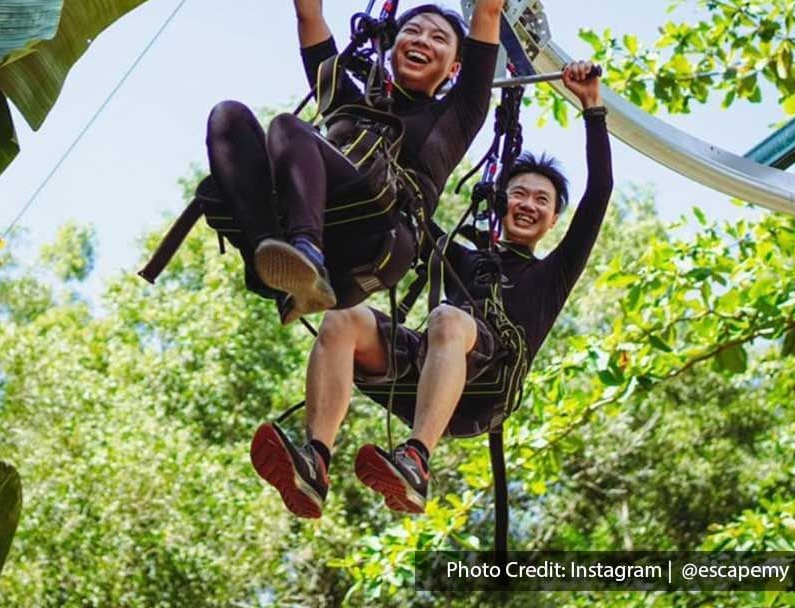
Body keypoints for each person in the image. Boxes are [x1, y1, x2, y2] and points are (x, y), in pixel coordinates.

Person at [250, 61, 612, 518]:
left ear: (554, 219)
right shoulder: (462, 258)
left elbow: (599, 194)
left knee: (447, 318)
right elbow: (410, 223)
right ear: (500, 203)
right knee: (344, 318)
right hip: (429, 370)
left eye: (542, 201)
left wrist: (592, 108)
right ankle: (314, 462)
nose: (527, 204)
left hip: (485, 390)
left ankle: (417, 461)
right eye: (519, 194)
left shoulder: (554, 273)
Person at [205, 0, 518, 326]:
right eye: (412, 31)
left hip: (379, 237)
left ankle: (304, 255)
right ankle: (278, 262)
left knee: (288, 128)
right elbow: (309, 15)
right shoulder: (350, 99)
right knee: (227, 117)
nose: (422, 40)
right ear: (391, 48)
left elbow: (489, 10)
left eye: (437, 39)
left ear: (454, 68)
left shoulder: (456, 113)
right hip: (327, 229)